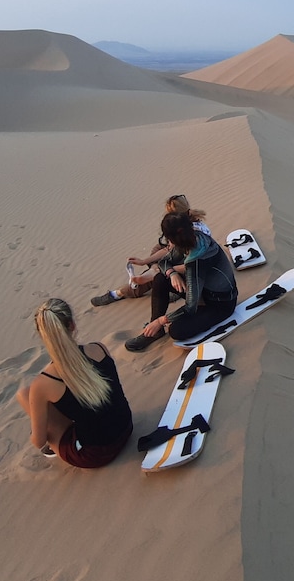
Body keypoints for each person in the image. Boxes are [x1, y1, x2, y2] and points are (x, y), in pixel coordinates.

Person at [16, 298, 133, 468]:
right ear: (72, 325)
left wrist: (37, 432)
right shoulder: (99, 348)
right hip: (126, 428)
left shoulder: (43, 383)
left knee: (25, 395)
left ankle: (60, 443)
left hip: (95, 454)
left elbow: (38, 441)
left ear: (43, 335)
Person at [125, 211, 238, 352]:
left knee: (176, 331)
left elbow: (190, 307)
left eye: (167, 238)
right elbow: (163, 262)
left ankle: (157, 325)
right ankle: (156, 332)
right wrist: (172, 273)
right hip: (203, 292)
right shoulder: (189, 238)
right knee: (160, 278)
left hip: (220, 304)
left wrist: (161, 321)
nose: (168, 243)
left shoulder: (197, 259)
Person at [91, 194, 211, 306]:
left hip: (191, 267)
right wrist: (144, 261)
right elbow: (168, 249)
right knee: (157, 249)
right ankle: (155, 271)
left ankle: (118, 293)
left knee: (154, 277)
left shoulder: (191, 235)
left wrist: (168, 270)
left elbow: (193, 263)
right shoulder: (191, 221)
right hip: (180, 255)